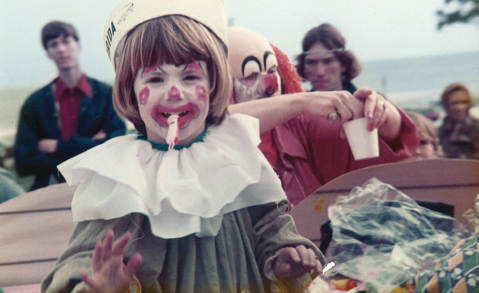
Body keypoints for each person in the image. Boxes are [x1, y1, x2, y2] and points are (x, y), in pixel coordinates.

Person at [41, 1, 324, 292]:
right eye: (155, 78)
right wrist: (92, 286)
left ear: (214, 85)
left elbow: (267, 226)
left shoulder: (234, 151)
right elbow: (84, 260)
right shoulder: (123, 174)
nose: (175, 92)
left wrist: (283, 254)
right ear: (131, 90)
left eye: (190, 77)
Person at [227, 27, 419, 208]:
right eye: (250, 76)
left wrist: (382, 113)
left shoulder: (300, 128)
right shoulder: (207, 142)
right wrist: (298, 103)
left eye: (271, 71)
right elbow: (215, 125)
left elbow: (390, 139)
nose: (269, 83)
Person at [14, 21, 126, 191]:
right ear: (48, 53)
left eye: (66, 41)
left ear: (78, 45)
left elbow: (117, 146)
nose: (61, 49)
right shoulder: (34, 103)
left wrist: (57, 147)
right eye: (53, 44)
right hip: (49, 190)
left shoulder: (106, 95)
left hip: (99, 186)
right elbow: (23, 163)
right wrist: (89, 144)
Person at [295, 23, 361, 93]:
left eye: (328, 61)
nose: (320, 72)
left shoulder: (366, 102)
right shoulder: (295, 103)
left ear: (344, 65)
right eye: (311, 62)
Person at [437, 83, 479, 160]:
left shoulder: (477, 127)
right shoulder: (438, 133)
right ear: (445, 105)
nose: (460, 107)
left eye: (464, 102)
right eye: (454, 103)